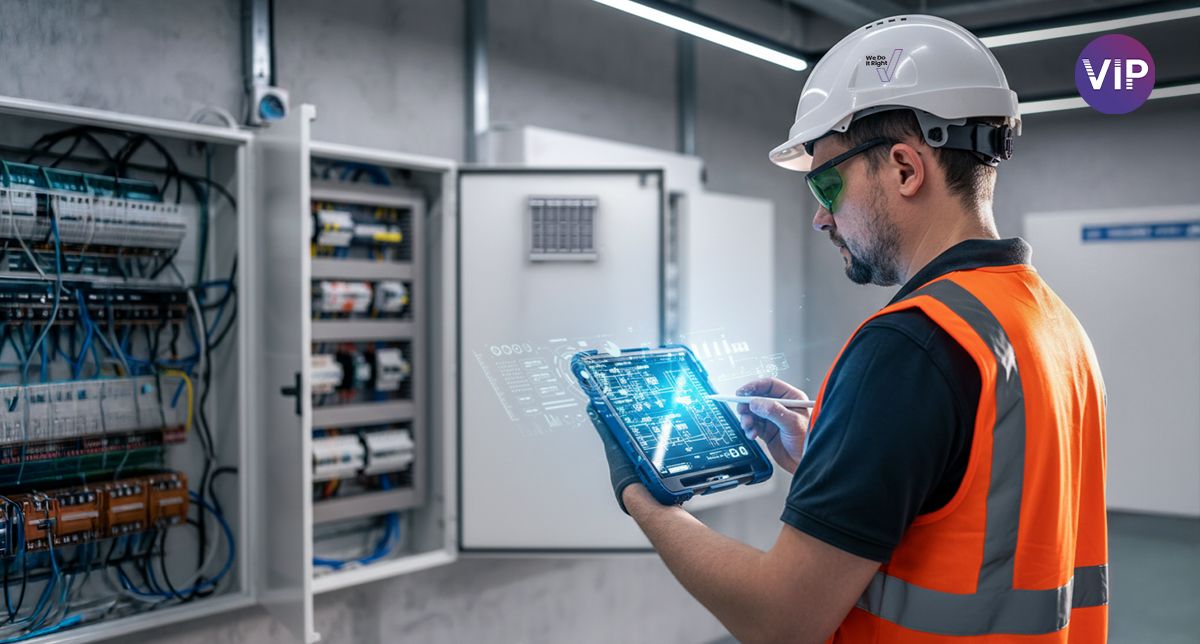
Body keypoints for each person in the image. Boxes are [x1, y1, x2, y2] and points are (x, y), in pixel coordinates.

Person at [589, 15, 1108, 643]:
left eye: (827, 182)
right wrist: (830, 458)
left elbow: (778, 619)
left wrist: (643, 496)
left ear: (904, 169)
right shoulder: (1051, 323)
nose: (819, 216)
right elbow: (984, 515)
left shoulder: (909, 345)